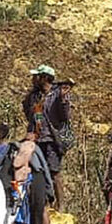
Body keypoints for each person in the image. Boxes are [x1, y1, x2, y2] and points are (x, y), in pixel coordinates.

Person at [22, 64, 72, 212]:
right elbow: (27, 112)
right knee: (37, 170)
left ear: (44, 78)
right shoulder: (34, 96)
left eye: (36, 76)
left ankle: (60, 205)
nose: (33, 79)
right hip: (36, 139)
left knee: (54, 171)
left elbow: (65, 117)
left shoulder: (58, 94)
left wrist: (63, 100)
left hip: (51, 139)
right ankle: (43, 202)